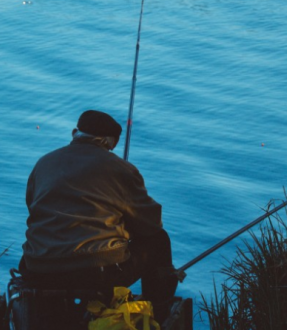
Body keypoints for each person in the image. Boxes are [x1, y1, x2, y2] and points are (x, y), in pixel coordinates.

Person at [19, 110, 178, 311]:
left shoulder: (44, 163)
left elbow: (32, 206)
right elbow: (151, 224)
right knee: (158, 240)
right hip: (96, 273)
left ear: (74, 132)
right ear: (111, 143)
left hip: (38, 269)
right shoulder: (121, 169)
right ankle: (158, 310)